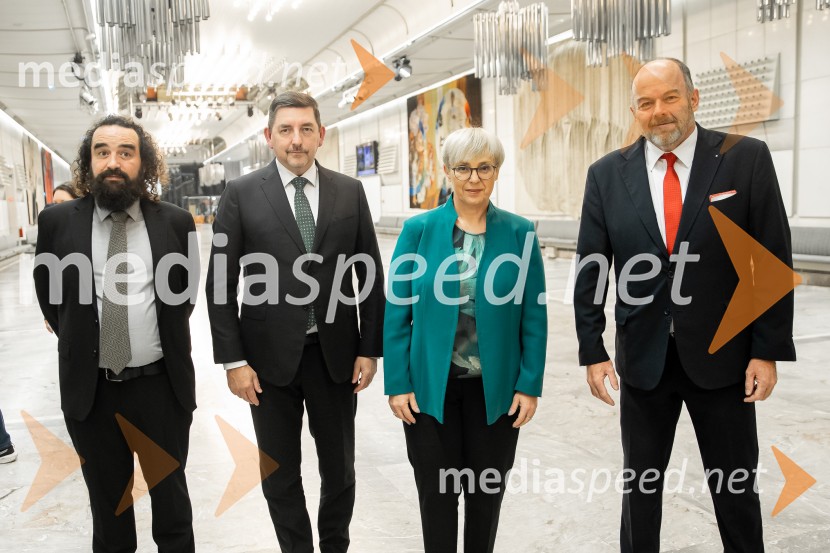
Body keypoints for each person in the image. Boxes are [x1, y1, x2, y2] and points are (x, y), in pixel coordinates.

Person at [573, 58, 795, 552]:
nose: (660, 111)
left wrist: (767, 350)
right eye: (647, 103)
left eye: (670, 97)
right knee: (641, 489)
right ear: (635, 112)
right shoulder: (607, 175)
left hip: (726, 358)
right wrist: (592, 348)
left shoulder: (745, 159)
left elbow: (772, 260)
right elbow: (592, 269)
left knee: (736, 489)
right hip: (644, 361)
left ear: (693, 99)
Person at [205, 91, 385, 553]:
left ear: (321, 134)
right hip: (266, 365)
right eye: (285, 130)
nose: (296, 139)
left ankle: (334, 546)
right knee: (279, 471)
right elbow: (221, 283)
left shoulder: (349, 191)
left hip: (336, 358)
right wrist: (233, 360)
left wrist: (369, 347)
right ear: (269, 137)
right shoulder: (242, 195)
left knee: (340, 469)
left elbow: (368, 274)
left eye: (306, 129)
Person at [34, 115, 198, 553]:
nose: (113, 162)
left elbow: (185, 298)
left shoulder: (176, 223)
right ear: (88, 163)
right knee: (110, 512)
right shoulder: (57, 223)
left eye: (126, 152)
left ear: (144, 164)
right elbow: (52, 299)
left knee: (173, 509)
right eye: (102, 152)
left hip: (161, 389)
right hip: (93, 393)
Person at [384, 127, 548, 553]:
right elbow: (397, 313)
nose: (474, 178)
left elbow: (533, 313)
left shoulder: (519, 232)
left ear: (496, 172)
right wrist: (397, 383)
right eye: (463, 168)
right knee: (436, 496)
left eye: (484, 168)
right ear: (447, 172)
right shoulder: (418, 231)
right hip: (429, 392)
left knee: (485, 496)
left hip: (495, 394)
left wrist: (529, 384)